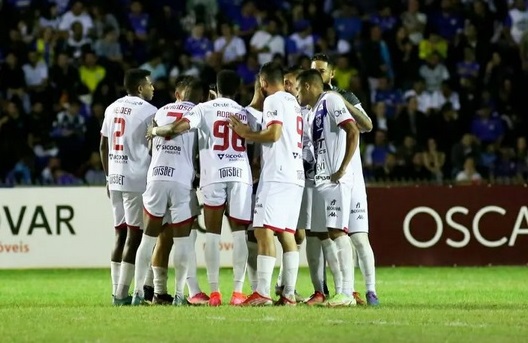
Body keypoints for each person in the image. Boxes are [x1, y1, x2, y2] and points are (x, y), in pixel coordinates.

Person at [148, 70, 252, 306]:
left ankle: (214, 293)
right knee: (239, 235)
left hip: (213, 175)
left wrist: (157, 130)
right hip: (239, 175)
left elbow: (179, 127)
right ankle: (237, 293)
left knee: (212, 235)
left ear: (214, 88)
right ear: (238, 89)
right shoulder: (243, 112)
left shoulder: (202, 109)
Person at [230, 62, 305, 306]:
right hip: (296, 175)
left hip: (277, 174)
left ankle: (261, 293)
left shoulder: (273, 101)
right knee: (286, 234)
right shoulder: (294, 102)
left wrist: (245, 134)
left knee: (263, 231)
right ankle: (289, 294)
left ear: (263, 83)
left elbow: (274, 134)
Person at [132, 79, 205, 306]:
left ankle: (137, 294)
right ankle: (180, 296)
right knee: (183, 241)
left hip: (156, 178)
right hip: (181, 181)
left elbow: (150, 144)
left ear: (178, 94)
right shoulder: (198, 112)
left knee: (147, 239)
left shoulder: (161, 110)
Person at [311, 53, 376, 305]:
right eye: (313, 70)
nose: (318, 74)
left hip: (352, 177)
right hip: (327, 179)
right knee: (328, 235)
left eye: (321, 70)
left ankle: (371, 291)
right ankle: (341, 289)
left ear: (331, 74)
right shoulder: (310, 104)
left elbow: (367, 125)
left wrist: (341, 102)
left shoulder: (344, 97)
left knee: (359, 237)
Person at [296, 69, 360, 306]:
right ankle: (341, 291)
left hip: (336, 179)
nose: (296, 94)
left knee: (338, 232)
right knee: (330, 233)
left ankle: (347, 292)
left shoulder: (331, 100)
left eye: (298, 89)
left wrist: (343, 168)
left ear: (309, 87)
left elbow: (353, 131)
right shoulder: (313, 111)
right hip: (322, 179)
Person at [99, 69, 156, 306]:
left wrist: (107, 176)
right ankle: (122, 295)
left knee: (120, 233)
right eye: (150, 84)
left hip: (115, 177)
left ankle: (116, 291)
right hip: (136, 178)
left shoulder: (111, 108)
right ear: (140, 88)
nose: (153, 88)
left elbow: (103, 145)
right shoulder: (150, 111)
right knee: (135, 235)